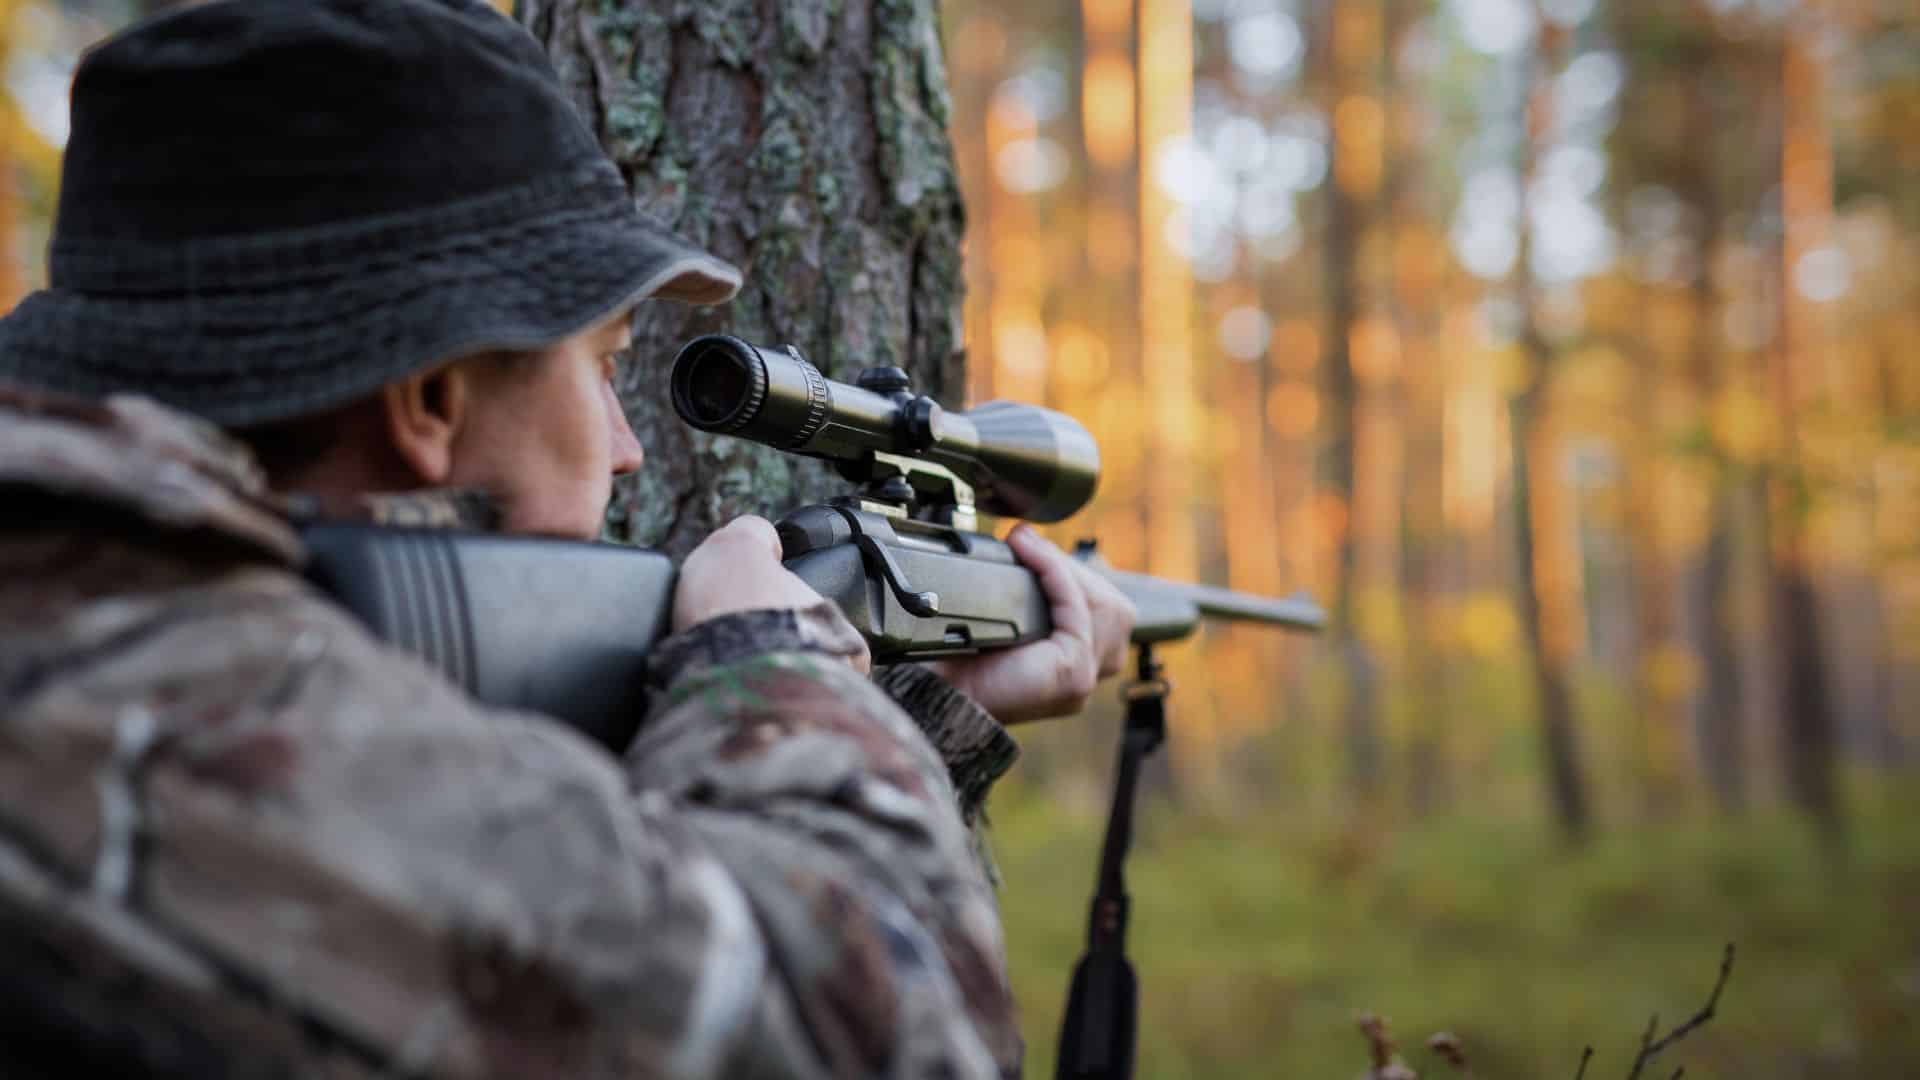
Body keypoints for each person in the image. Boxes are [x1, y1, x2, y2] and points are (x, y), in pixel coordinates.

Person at [0, 1, 1134, 1076]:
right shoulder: (167, 705)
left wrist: (895, 717)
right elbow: (889, 1043)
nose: (629, 448)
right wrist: (775, 667)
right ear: (431, 401)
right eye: (602, 367)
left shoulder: (99, 622)